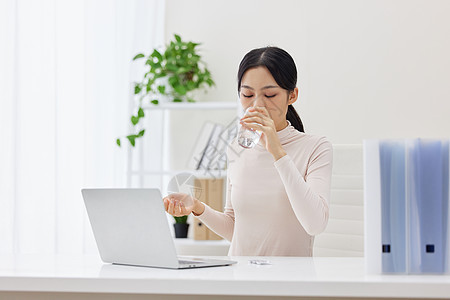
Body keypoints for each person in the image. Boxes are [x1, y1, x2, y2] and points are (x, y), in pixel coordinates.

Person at [163, 46, 333, 256]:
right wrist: (197, 207)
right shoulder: (236, 148)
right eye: (247, 94)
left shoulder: (315, 148)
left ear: (292, 95)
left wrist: (278, 152)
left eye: (270, 94)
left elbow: (315, 224)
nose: (257, 104)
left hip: (290, 283)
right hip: (241, 279)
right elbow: (236, 229)